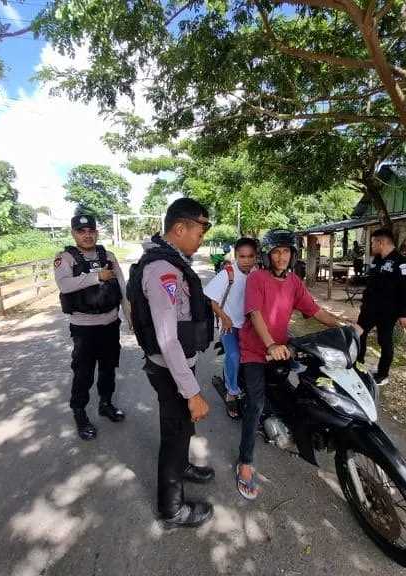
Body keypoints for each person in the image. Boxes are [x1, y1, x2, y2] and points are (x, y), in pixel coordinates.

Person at [236, 229, 350, 500]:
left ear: (293, 254)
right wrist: (270, 345)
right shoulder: (256, 278)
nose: (281, 256)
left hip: (283, 348)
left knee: (304, 389)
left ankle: (295, 432)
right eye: (276, 251)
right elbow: (254, 314)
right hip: (255, 351)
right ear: (267, 255)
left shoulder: (294, 282)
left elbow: (314, 310)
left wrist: (343, 327)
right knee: (255, 405)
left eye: (286, 251)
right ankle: (245, 462)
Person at [126, 198, 216, 529]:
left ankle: (184, 467)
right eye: (200, 230)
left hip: (174, 365)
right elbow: (167, 338)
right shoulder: (162, 269)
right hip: (169, 368)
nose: (202, 238)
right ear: (180, 229)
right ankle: (172, 508)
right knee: (175, 435)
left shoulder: (171, 260)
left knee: (180, 428)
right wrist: (191, 391)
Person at [55, 212, 131, 441]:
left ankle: (105, 404)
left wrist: (130, 318)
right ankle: (79, 412)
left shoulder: (108, 255)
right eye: (81, 231)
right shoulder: (65, 258)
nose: (87, 235)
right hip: (84, 329)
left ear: (97, 232)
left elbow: (122, 287)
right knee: (83, 373)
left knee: (108, 369)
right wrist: (96, 276)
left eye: (91, 231)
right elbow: (64, 284)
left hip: (110, 324)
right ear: (73, 234)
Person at [203, 237, 259, 419]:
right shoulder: (228, 273)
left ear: (256, 257)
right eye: (242, 256)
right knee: (234, 356)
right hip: (230, 326)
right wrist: (225, 318)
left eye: (250, 256)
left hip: (250, 326)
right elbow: (211, 301)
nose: (247, 260)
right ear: (236, 256)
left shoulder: (257, 273)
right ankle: (231, 392)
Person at [356, 228, 406, 386]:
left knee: (384, 341)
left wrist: (405, 313)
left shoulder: (402, 262)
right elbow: (371, 285)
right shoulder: (378, 260)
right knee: (359, 334)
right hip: (369, 309)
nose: (371, 245)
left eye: (373, 242)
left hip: (388, 311)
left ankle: (382, 374)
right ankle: (358, 365)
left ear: (381, 242)